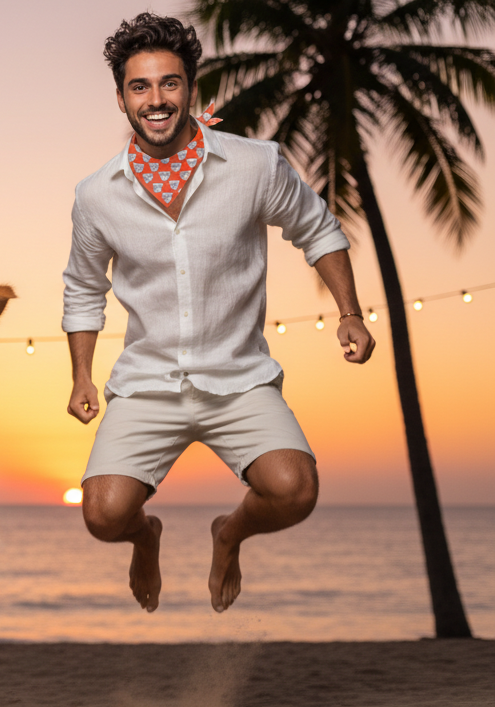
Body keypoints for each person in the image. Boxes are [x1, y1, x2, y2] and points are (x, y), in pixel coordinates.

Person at [62, 12, 375, 613]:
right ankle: (146, 537)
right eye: (140, 86)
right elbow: (82, 287)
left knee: (295, 491)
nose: (156, 99)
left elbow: (319, 229)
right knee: (103, 516)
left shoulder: (256, 164)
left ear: (191, 87)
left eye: (169, 83)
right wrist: (80, 376)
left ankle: (227, 534)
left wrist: (350, 313)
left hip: (239, 379)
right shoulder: (96, 194)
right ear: (122, 98)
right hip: (149, 384)